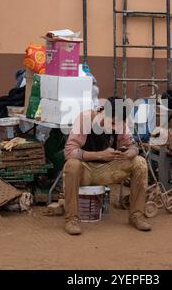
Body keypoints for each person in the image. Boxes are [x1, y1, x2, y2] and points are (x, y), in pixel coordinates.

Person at [63, 97, 151, 235]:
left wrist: (130, 153)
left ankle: (136, 215)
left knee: (139, 162)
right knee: (72, 165)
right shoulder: (85, 118)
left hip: (108, 170)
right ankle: (71, 219)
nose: (115, 128)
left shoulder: (121, 122)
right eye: (113, 123)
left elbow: (134, 146)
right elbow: (69, 152)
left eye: (119, 124)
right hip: (85, 170)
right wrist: (100, 155)